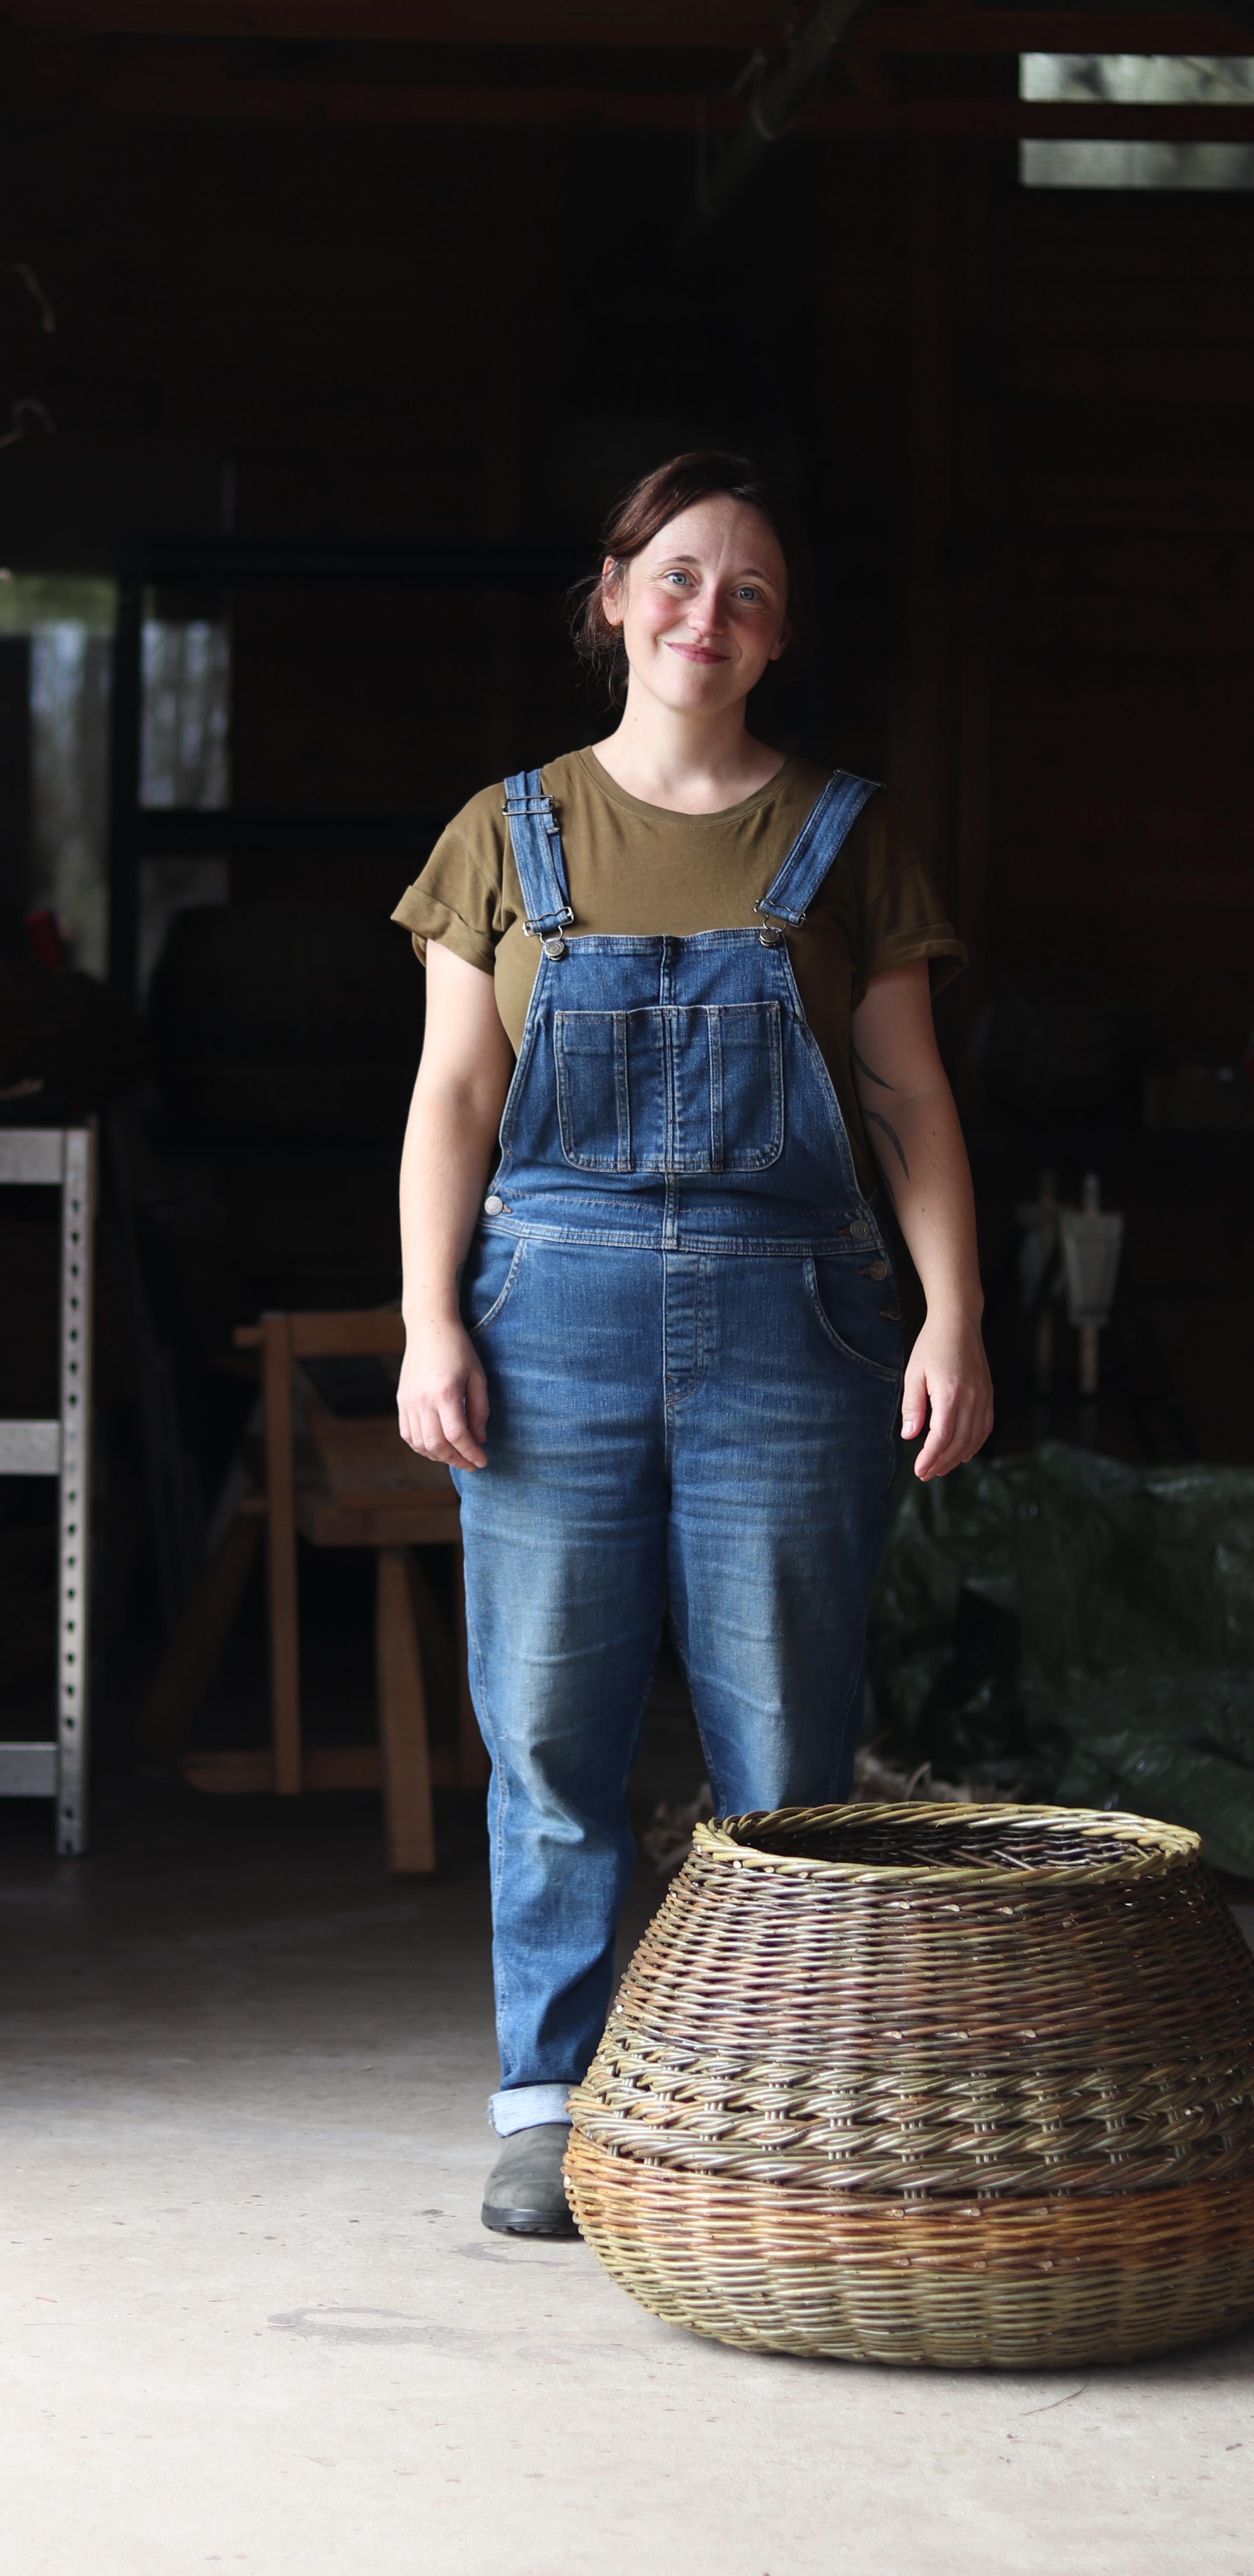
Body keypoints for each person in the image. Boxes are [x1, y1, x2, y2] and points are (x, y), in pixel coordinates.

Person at [391, 450, 993, 2241]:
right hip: (547, 1322)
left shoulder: (848, 832)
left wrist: (955, 1315)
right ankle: (548, 2103)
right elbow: (453, 1098)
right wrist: (428, 1319)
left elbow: (910, 1100)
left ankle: (775, 2094)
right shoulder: (505, 831)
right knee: (550, 1737)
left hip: (793, 1325)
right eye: (674, 576)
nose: (705, 613)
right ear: (613, 596)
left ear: (781, 634)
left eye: (746, 591)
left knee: (787, 1748)